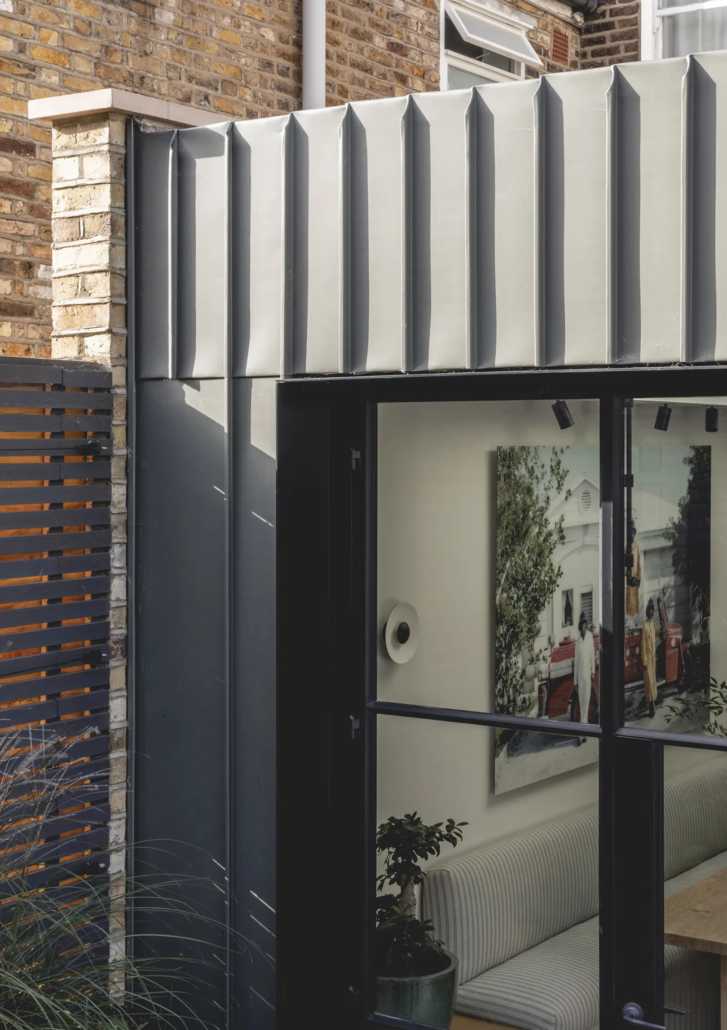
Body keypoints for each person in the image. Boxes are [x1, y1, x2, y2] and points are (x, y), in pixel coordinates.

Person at [574, 612, 596, 744]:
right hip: (580, 677)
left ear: (586, 625)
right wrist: (575, 682)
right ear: (579, 626)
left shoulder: (590, 637)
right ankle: (582, 733)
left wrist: (593, 671)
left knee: (586, 703)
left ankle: (582, 734)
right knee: (581, 703)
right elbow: (576, 662)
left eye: (584, 624)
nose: (583, 626)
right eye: (581, 624)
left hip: (588, 676)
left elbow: (592, 655)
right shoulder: (577, 642)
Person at [642, 597, 660, 719]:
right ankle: (650, 707)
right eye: (649, 610)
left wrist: (659, 630)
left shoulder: (652, 624)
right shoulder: (644, 625)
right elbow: (643, 644)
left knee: (653, 682)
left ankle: (653, 705)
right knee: (648, 683)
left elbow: (654, 633)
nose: (651, 612)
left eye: (652, 610)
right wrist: (644, 661)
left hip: (653, 658)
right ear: (647, 612)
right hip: (647, 658)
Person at [625, 523, 641, 628]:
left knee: (634, 601)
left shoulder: (636, 546)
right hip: (629, 578)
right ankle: (629, 622)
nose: (632, 535)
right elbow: (624, 563)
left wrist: (639, 578)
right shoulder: (626, 547)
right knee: (629, 601)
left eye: (633, 533)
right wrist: (626, 573)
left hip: (635, 577)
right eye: (630, 532)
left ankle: (633, 622)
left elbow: (638, 563)